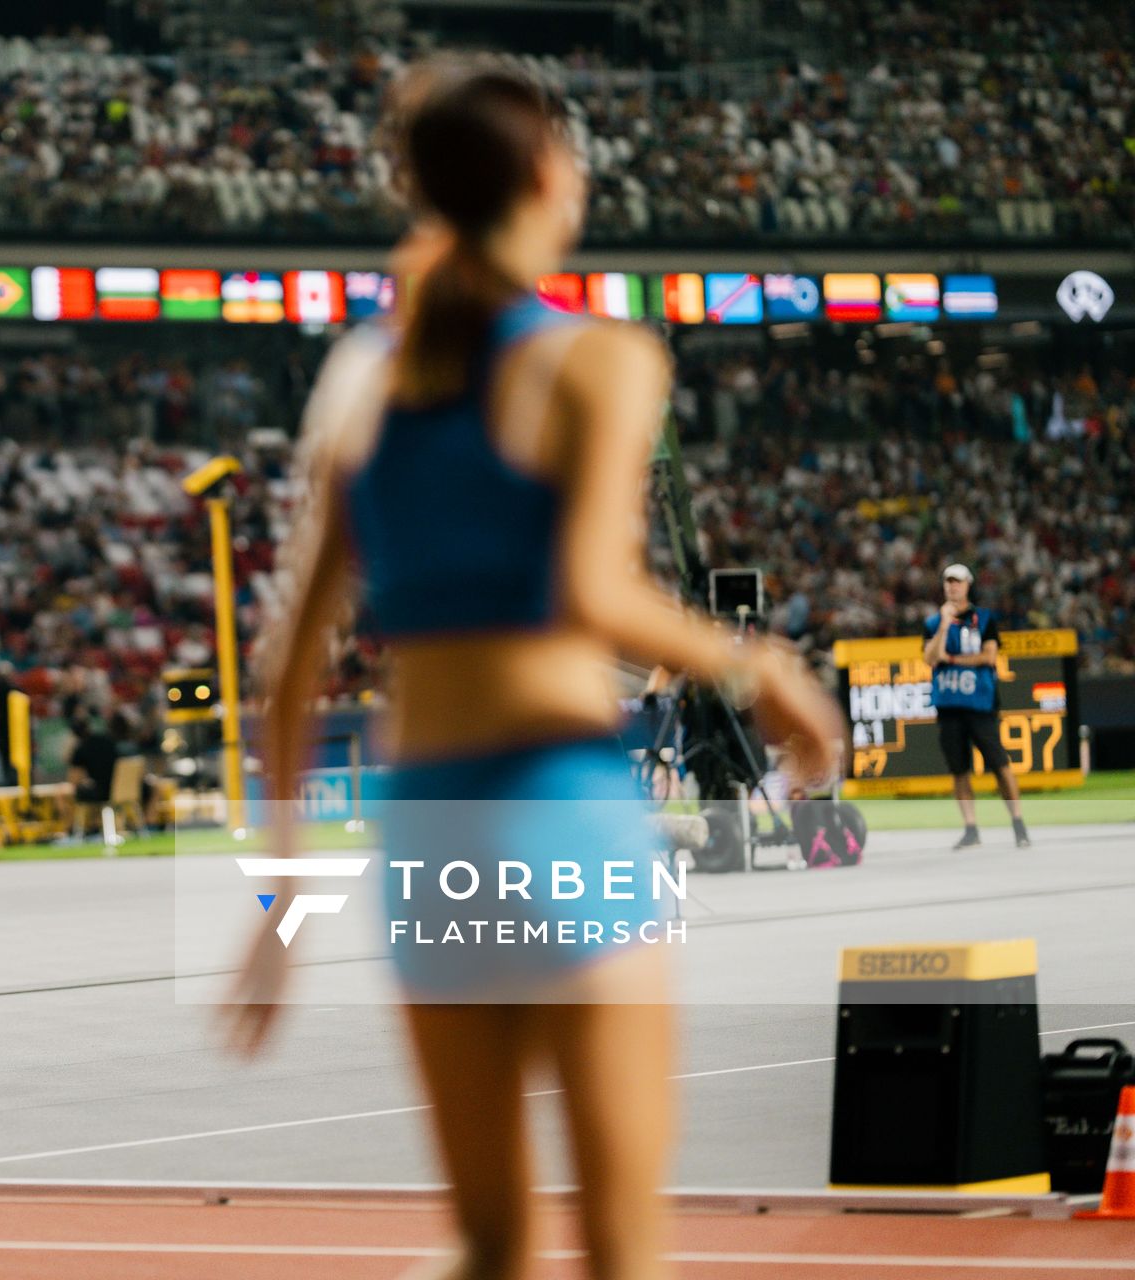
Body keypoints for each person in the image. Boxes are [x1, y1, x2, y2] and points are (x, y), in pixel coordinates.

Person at [224, 58, 843, 1280]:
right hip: (558, 801)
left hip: (426, 822)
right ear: (550, 176)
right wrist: (755, 659)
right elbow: (592, 592)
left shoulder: (368, 374)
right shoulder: (599, 360)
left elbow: (286, 659)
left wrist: (278, 907)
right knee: (621, 1242)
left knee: (488, 1242)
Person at [923, 563, 1030, 849]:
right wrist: (944, 626)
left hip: (980, 704)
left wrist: (954, 660)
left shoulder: (984, 619)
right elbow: (930, 658)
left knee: (999, 764)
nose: (952, 586)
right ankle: (971, 828)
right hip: (948, 706)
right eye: (948, 582)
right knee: (959, 770)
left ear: (968, 584)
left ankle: (1018, 823)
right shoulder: (935, 622)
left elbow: (989, 656)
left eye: (957, 581)